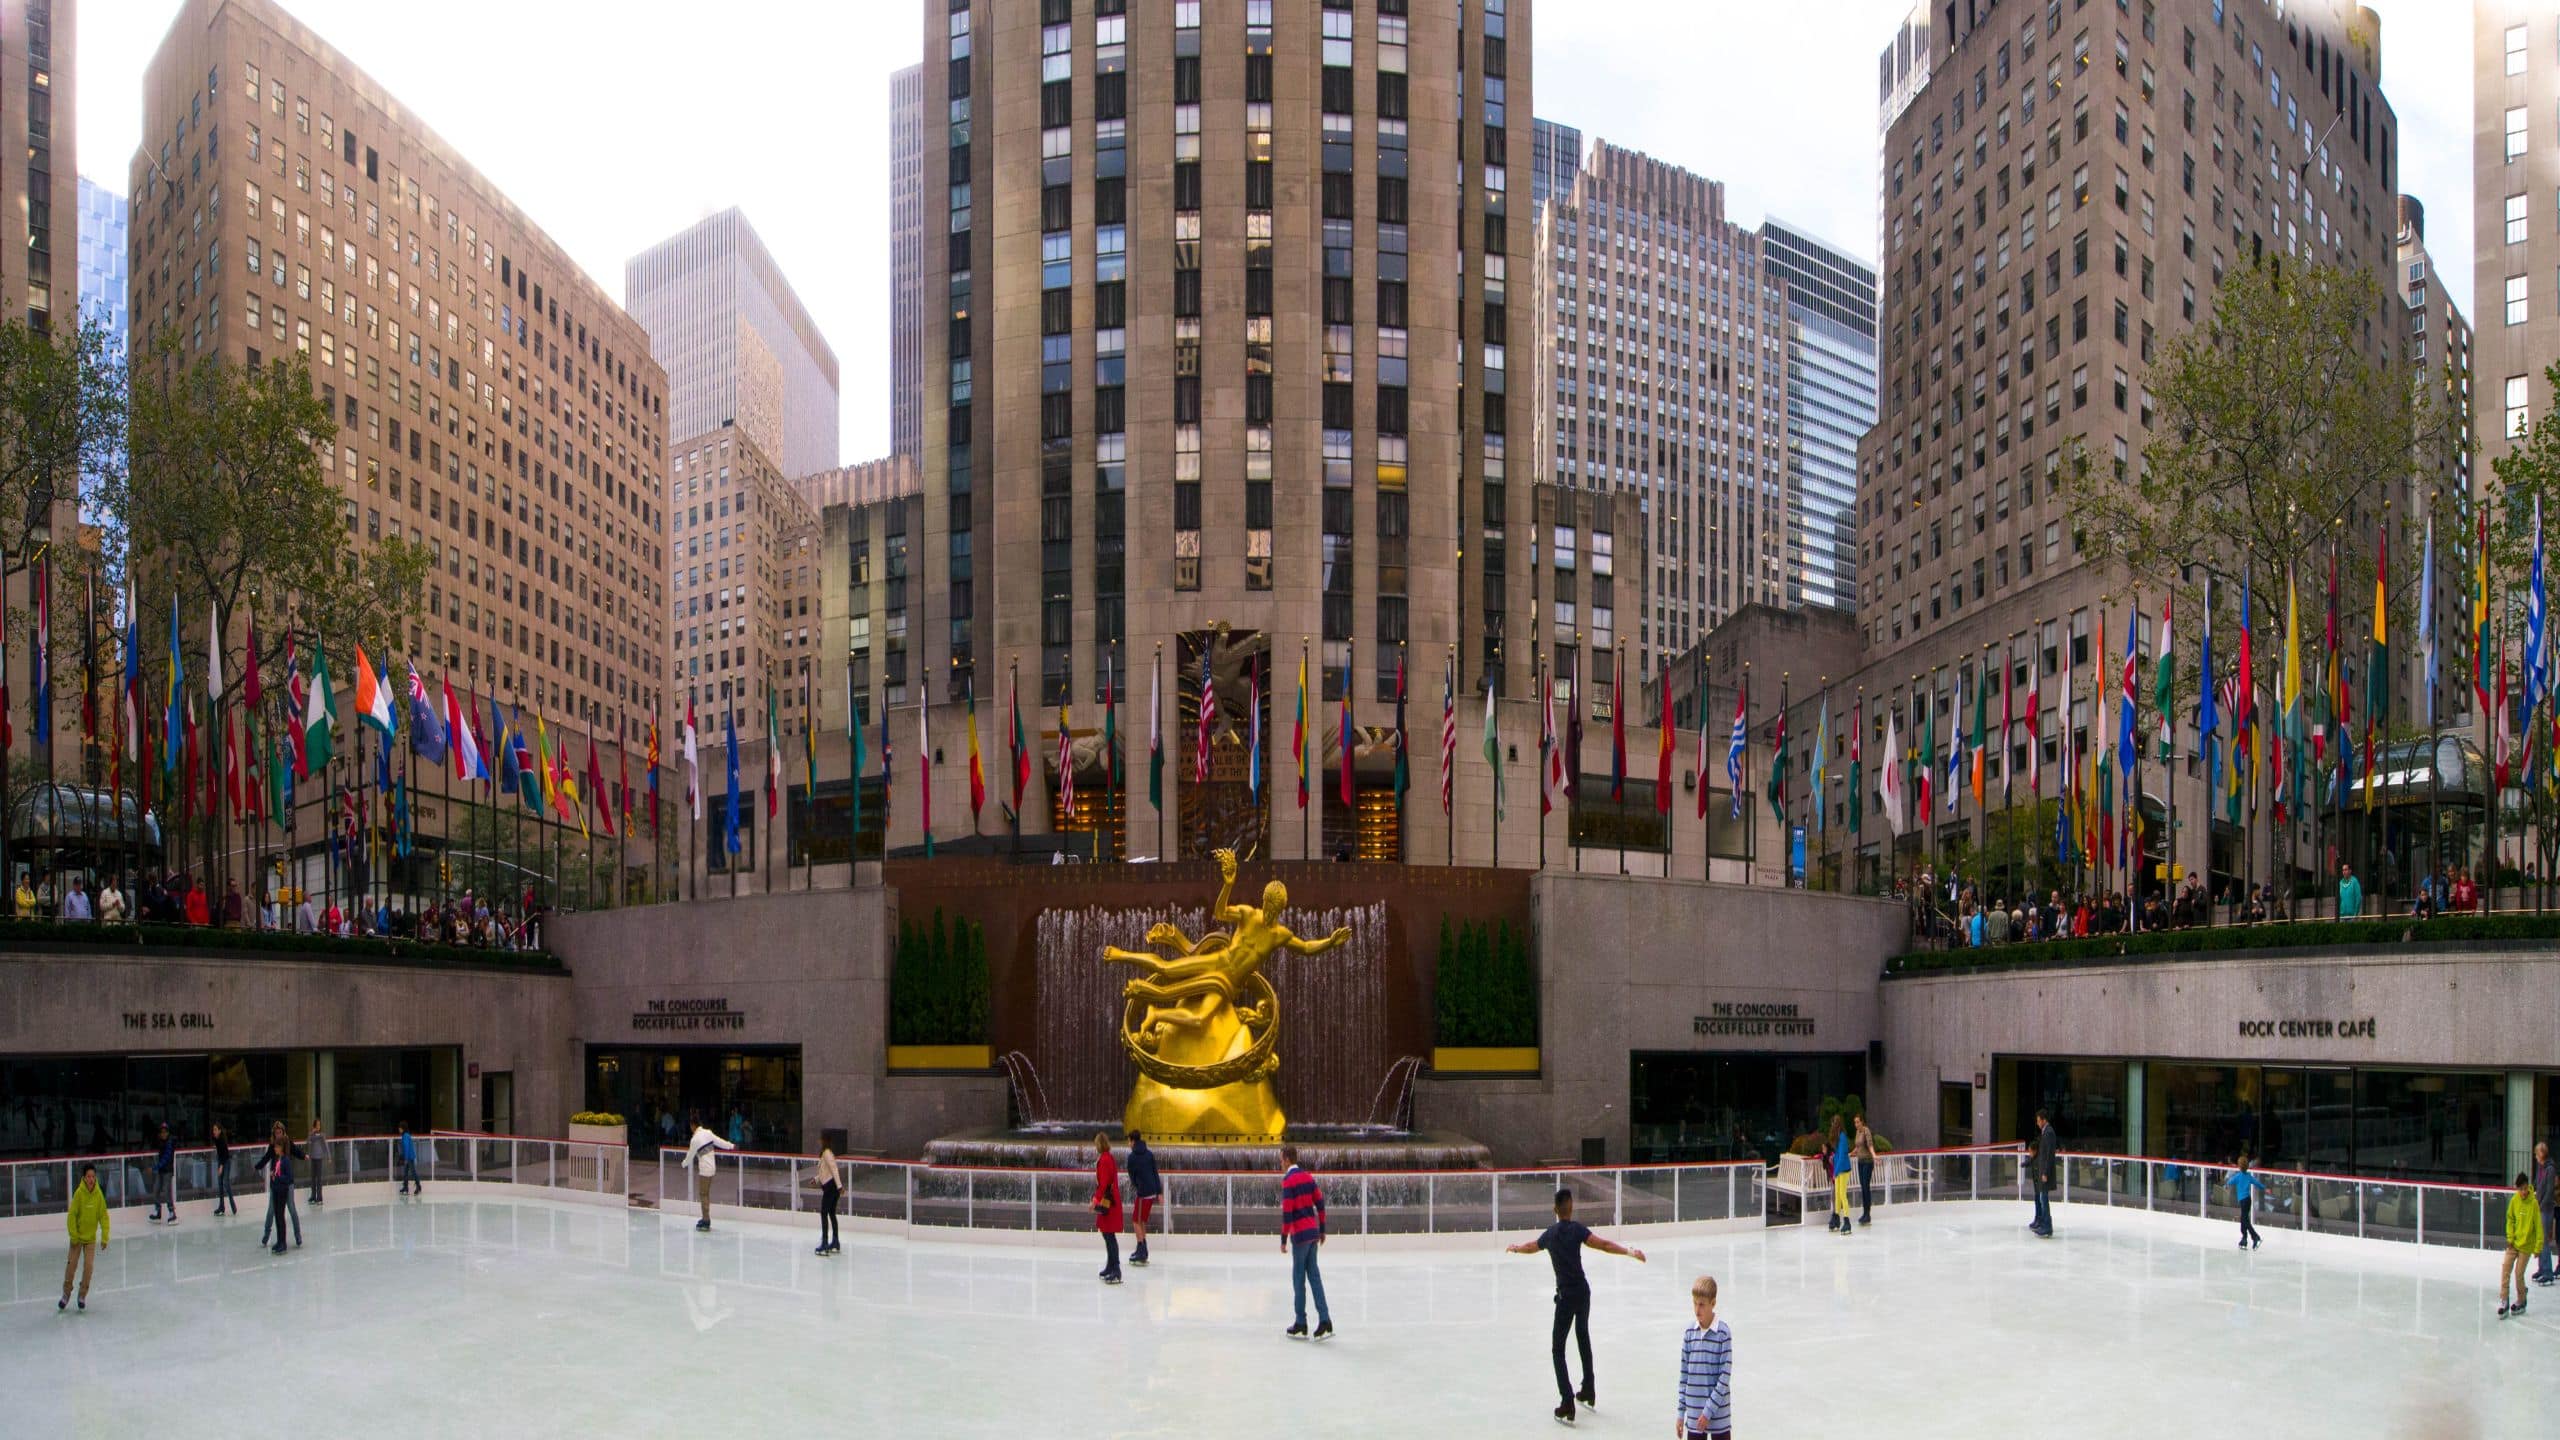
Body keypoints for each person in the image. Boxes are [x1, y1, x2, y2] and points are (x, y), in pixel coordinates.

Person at [1505, 1186, 1645, 1425]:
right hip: (1583, 1292)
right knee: (1582, 1336)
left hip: (1567, 1297)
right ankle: (1588, 1388)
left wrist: (1517, 1248)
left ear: (1555, 1210)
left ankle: (1567, 1400)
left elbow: (1531, 1247)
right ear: (1571, 1208)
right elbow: (1604, 1245)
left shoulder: (1550, 1234)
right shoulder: (1578, 1230)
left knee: (1557, 1349)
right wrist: (1630, 1252)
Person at [1279, 1145, 1332, 1340]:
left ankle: (1301, 1322)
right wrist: (1323, 1229)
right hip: (1313, 1234)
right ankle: (1325, 1319)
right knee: (1314, 1277)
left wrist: (1283, 1239)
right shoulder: (1309, 1178)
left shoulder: (1288, 1182)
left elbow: (1287, 1213)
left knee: (1298, 1279)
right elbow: (1320, 1203)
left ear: (1286, 1159)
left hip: (1300, 1236)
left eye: (1281, 1159)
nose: (1280, 1163)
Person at [1675, 1273, 1733, 1440]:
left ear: (1713, 1303)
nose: (1697, 1309)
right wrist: (1681, 1413)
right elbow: (1684, 1376)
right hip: (1693, 1416)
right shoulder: (1689, 1333)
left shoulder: (1723, 1333)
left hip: (1718, 1418)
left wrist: (1708, 1412)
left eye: (1702, 1305)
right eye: (1694, 1303)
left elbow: (1724, 1378)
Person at [60, 1162, 108, 1311]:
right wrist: (74, 1236)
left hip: (90, 1240)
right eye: (88, 1176)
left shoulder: (99, 1195)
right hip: (77, 1239)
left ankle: (82, 1295)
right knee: (71, 1267)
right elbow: (71, 1216)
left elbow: (104, 1217)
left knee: (88, 1268)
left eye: (93, 1176)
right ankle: (66, 1294)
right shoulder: (79, 1194)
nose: (91, 1179)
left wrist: (105, 1237)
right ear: (84, 1178)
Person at [2501, 1170, 2544, 1318]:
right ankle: (2504, 1299)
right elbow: (2510, 1219)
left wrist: (2538, 1247)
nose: (2524, 1192)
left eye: (2525, 1188)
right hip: (2513, 1243)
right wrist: (2510, 1237)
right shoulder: (2514, 1201)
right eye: (2521, 1189)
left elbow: (2538, 1226)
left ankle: (2521, 1300)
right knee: (2506, 1268)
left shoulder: (2534, 1204)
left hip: (2526, 1246)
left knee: (2519, 1274)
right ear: (2517, 1188)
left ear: (2528, 1186)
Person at [683, 1111, 735, 1231]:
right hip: (712, 1168)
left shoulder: (695, 1139)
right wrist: (731, 1146)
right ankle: (705, 1218)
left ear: (693, 1125)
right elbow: (720, 1142)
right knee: (705, 1194)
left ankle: (706, 1220)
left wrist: (683, 1164)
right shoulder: (708, 1133)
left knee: (703, 1194)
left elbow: (690, 1156)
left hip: (705, 1170)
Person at [254, 1134, 302, 1253]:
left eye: (276, 1146)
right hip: (276, 1190)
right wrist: (273, 1176)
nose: (274, 1149)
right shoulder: (278, 1159)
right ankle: (279, 1241)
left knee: (281, 1217)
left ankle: (283, 1242)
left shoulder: (285, 1160)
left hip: (282, 1191)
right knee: (278, 1216)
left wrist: (277, 1177)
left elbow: (289, 1177)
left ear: (281, 1147)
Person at [1090, 1132, 1124, 1283]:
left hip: (1108, 1203)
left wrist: (1095, 1200)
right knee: (1107, 1234)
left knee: (1109, 1236)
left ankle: (1115, 1269)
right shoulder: (1108, 1158)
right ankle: (1111, 1266)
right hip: (1109, 1201)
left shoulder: (1104, 1160)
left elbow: (1103, 1183)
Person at [1126, 1130, 1162, 1266]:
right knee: (1141, 1221)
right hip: (1152, 1192)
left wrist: (1138, 1186)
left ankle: (1142, 1249)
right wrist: (1159, 1192)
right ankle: (1142, 1248)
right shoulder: (1149, 1154)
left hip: (1143, 1193)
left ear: (1132, 1141)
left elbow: (1132, 1176)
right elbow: (1155, 1173)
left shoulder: (1132, 1157)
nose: (1128, 1144)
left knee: (1135, 1221)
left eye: (1129, 1141)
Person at [2027, 1108, 2058, 1237]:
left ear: (2044, 1120)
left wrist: (2045, 1172)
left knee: (2043, 1198)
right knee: (2041, 1198)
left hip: (2045, 1173)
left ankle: (2047, 1226)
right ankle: (2044, 1224)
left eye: (2039, 1121)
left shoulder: (2049, 1133)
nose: (2037, 1123)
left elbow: (2049, 1154)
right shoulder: (2045, 1132)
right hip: (2042, 1172)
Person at [807, 1146, 842, 1255]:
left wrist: (839, 1186)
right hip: (833, 1187)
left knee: (824, 1213)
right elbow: (826, 1171)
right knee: (831, 1213)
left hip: (831, 1188)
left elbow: (834, 1169)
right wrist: (816, 1179)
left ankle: (825, 1243)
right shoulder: (827, 1154)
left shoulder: (826, 1153)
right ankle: (835, 1241)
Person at [2228, 1154, 2264, 1249]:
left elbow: (2229, 1182)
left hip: (2243, 1201)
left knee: (2244, 1220)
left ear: (2239, 1166)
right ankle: (2244, 1238)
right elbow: (2257, 1183)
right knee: (2244, 1219)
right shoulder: (2248, 1176)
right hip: (2248, 1200)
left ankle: (2255, 1237)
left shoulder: (2238, 1176)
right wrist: (2265, 1188)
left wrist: (2226, 1184)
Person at [2533, 1142, 2557, 1287]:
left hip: (2546, 1209)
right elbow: (2537, 1183)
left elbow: (2549, 1191)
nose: (2535, 1157)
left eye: (2536, 1154)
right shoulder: (2541, 1168)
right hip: (2539, 1207)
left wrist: (2540, 1207)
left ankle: (2548, 1271)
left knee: (2543, 1240)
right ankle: (2542, 1268)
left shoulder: (2550, 1169)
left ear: (2541, 1154)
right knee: (2539, 1239)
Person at [1828, 1117, 1854, 1235]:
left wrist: (1835, 1171)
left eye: (1834, 1123)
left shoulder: (1842, 1136)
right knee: (1837, 1195)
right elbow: (1838, 1154)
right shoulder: (1838, 1137)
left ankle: (1847, 1221)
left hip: (1843, 1169)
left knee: (1842, 1194)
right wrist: (1833, 1158)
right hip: (1839, 1169)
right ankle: (1836, 1217)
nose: (1832, 1125)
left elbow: (1843, 1156)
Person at [149, 1121, 178, 1224]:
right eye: (162, 1132)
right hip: (161, 1170)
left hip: (167, 1171)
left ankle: (172, 1213)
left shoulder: (170, 1142)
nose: (164, 1134)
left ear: (168, 1132)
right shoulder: (159, 1141)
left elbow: (166, 1158)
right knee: (156, 1189)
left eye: (165, 1132)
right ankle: (158, 1211)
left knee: (166, 1190)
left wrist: (155, 1168)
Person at [1852, 1114, 1878, 1226]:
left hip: (1867, 1162)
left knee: (1866, 1187)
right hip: (1860, 1161)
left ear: (1862, 1122)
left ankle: (1867, 1214)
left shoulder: (1866, 1131)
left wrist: (1874, 1155)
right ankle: (1864, 1213)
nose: (1856, 1124)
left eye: (1858, 1122)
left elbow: (1870, 1145)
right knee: (1862, 1187)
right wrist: (1850, 1153)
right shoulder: (1857, 1132)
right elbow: (1858, 1147)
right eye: (1855, 1123)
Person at [210, 1122, 236, 1215]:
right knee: (220, 1183)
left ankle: (233, 1205)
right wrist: (216, 1147)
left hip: (226, 1162)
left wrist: (221, 1166)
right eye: (213, 1130)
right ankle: (221, 1207)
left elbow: (224, 1154)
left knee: (225, 1182)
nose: (214, 1131)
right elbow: (220, 1151)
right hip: (221, 1161)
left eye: (216, 1130)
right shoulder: (216, 1139)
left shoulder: (222, 1140)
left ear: (220, 1131)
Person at [396, 1123, 422, 1196]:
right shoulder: (405, 1135)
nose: (399, 1129)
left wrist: (406, 1158)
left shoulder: (406, 1136)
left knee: (413, 1172)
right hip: (407, 1157)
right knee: (405, 1173)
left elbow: (406, 1147)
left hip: (409, 1158)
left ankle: (418, 1186)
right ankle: (405, 1187)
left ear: (403, 1128)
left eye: (400, 1128)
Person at [306, 1120, 328, 1204]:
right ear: (314, 1126)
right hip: (313, 1158)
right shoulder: (312, 1135)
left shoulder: (322, 1135)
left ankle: (319, 1197)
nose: (318, 1126)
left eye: (319, 1125)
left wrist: (329, 1156)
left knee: (319, 1178)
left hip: (319, 1158)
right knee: (313, 1178)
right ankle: (313, 1196)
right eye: (317, 1125)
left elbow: (325, 1145)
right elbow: (307, 1141)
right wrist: (311, 1132)